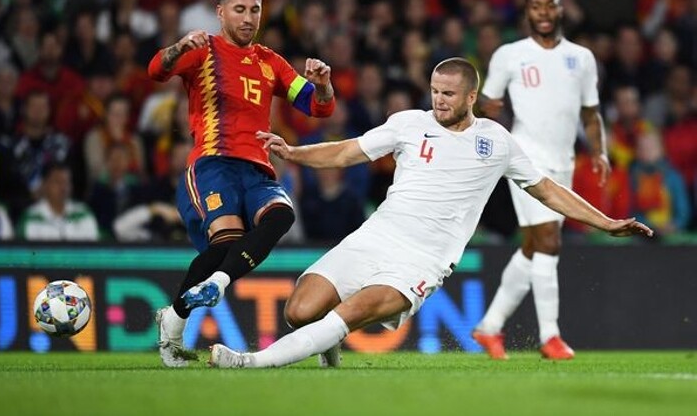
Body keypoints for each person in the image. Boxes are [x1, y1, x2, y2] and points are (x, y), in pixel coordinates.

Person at [207, 57, 652, 370]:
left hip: (423, 260)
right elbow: (346, 152)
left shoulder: (496, 142)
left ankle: (251, 362)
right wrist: (294, 152)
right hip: (375, 235)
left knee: (352, 312)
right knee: (300, 311)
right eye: (435, 91)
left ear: (471, 96)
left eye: (449, 94)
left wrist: (606, 222)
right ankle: (328, 346)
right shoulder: (408, 123)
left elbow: (548, 190)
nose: (439, 100)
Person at [146, 0, 335, 368]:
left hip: (258, 170)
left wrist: (322, 85)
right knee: (224, 247)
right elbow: (156, 71)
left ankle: (214, 285)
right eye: (239, 10)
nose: (248, 18)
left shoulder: (270, 62)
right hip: (213, 164)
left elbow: (317, 107)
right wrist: (178, 46)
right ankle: (175, 320)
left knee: (282, 215)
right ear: (221, 12)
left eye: (255, 10)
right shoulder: (202, 50)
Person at [472, 0, 611, 360]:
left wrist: (599, 150)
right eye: (536, 6)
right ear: (527, 13)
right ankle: (550, 336)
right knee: (549, 241)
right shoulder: (509, 55)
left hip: (563, 161)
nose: (544, 12)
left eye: (550, 5)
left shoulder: (581, 58)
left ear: (561, 10)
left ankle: (489, 327)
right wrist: (485, 109)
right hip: (525, 159)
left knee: (534, 247)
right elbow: (485, 104)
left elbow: (590, 113)